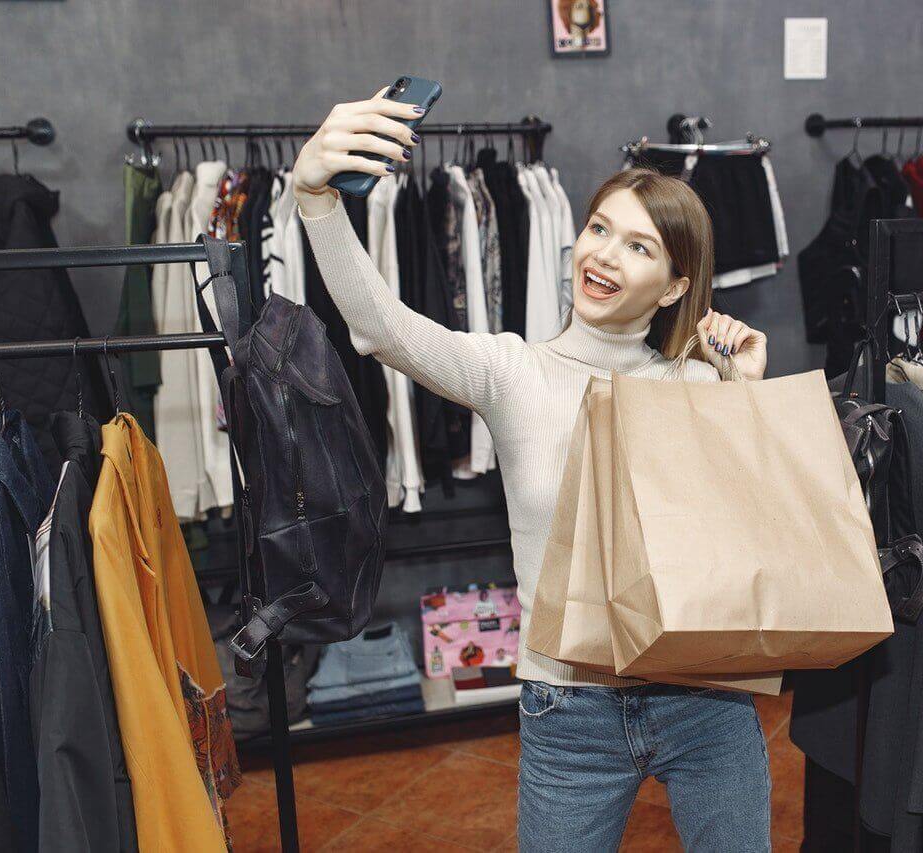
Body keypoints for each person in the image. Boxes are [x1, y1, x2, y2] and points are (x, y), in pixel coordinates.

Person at [292, 89, 773, 851]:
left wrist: (742, 392)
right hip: (570, 708)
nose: (603, 254)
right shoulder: (511, 371)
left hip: (705, 698)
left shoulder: (697, 383)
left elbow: (755, 537)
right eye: (599, 228)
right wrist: (314, 197)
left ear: (677, 285)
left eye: (639, 247)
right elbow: (379, 325)